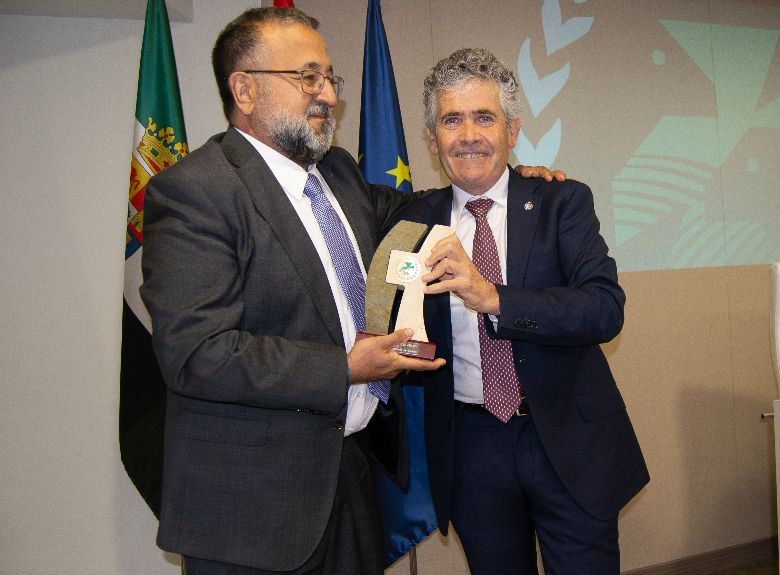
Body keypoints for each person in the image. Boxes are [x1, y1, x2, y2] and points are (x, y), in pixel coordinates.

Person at [140, 8, 558, 574]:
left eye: (329, 79)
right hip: (255, 513)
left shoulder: (334, 171)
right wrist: (345, 367)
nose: (327, 96)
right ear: (244, 89)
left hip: (352, 477)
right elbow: (197, 353)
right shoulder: (195, 192)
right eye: (306, 77)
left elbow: (419, 211)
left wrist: (504, 179)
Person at [392, 48, 650, 575]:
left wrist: (495, 299)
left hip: (567, 438)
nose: (468, 135)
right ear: (432, 136)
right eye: (451, 120)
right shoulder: (411, 220)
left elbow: (604, 309)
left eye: (484, 117)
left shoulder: (562, 201)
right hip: (471, 446)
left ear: (512, 131)